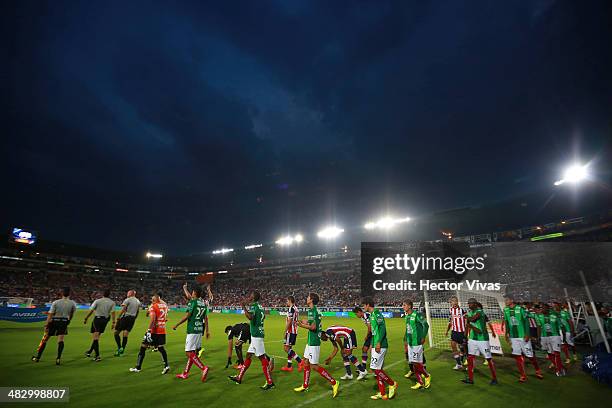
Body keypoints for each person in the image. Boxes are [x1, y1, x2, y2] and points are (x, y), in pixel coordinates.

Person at [293, 293, 339, 398]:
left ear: (311, 300)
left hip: (314, 342)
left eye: (308, 297)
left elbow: (313, 327)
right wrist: (300, 321)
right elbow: (309, 322)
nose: (306, 298)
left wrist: (301, 325)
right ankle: (305, 385)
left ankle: (334, 382)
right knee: (305, 362)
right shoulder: (311, 311)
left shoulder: (314, 311)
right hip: (310, 342)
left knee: (314, 366)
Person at [228, 291, 275, 390]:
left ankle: (270, 382)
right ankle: (239, 377)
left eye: (251, 296)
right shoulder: (260, 307)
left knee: (262, 358)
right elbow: (264, 316)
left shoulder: (254, 306)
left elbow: (250, 317)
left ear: (253, 297)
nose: (250, 297)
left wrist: (244, 307)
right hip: (255, 335)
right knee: (249, 355)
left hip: (257, 336)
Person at [363, 298, 398, 400]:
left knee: (375, 369)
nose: (363, 307)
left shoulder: (377, 314)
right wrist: (372, 345)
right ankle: (382, 393)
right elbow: (375, 332)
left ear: (368, 304)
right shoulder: (372, 315)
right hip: (375, 345)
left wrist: (378, 343)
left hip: (381, 345)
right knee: (378, 369)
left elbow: (382, 329)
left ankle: (392, 384)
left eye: (364, 305)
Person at [502, 296, 543, 383]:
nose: (505, 301)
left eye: (507, 299)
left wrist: (527, 334)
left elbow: (526, 321)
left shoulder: (520, 309)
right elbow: (506, 321)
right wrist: (506, 333)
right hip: (513, 337)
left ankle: (538, 370)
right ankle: (523, 375)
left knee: (530, 355)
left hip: (523, 336)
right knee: (517, 356)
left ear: (512, 300)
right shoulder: (505, 310)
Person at [173, 286, 210, 381]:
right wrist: (207, 331)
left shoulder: (193, 302)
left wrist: (177, 324)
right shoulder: (203, 304)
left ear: (194, 293)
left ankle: (203, 368)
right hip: (199, 330)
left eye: (192, 291)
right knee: (192, 353)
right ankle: (185, 373)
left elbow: (188, 316)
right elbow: (206, 318)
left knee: (188, 352)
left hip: (192, 330)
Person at [31, 287, 76, 365]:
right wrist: (69, 320)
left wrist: (47, 324)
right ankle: (58, 358)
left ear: (62, 293)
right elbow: (72, 313)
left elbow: (51, 314)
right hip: (64, 321)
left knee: (45, 339)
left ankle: (38, 357)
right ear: (69, 294)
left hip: (54, 321)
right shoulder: (72, 303)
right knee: (60, 340)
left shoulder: (56, 302)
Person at [129, 291, 170, 374]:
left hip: (153, 330)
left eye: (153, 298)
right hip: (162, 330)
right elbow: (165, 318)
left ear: (156, 298)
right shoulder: (165, 306)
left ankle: (138, 367)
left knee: (143, 347)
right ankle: (166, 365)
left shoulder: (153, 306)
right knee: (161, 348)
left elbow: (153, 319)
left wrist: (148, 330)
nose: (152, 299)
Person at [462, 298, 498, 385]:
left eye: (470, 303)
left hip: (482, 339)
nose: (469, 305)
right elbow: (467, 326)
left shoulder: (480, 312)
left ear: (475, 304)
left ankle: (494, 378)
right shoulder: (469, 313)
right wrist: (465, 337)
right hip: (472, 339)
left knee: (488, 359)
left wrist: (467, 318)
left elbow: (473, 320)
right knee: (470, 358)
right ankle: (470, 379)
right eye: (468, 304)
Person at [402, 300, 431, 390]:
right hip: (410, 343)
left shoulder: (417, 315)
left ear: (410, 306)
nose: (403, 307)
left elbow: (426, 325)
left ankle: (427, 375)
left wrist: (423, 337)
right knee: (415, 363)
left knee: (415, 362)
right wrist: (406, 340)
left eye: (404, 305)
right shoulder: (407, 317)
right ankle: (420, 382)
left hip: (417, 342)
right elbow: (408, 329)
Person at [83, 289, 116, 361]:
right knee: (97, 336)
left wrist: (86, 318)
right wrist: (113, 322)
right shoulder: (112, 302)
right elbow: (113, 312)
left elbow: (91, 310)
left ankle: (97, 356)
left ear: (103, 294)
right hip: (105, 320)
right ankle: (89, 351)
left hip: (97, 320)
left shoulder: (97, 301)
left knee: (95, 337)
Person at [535, 303, 565, 376]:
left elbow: (561, 326)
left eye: (543, 308)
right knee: (549, 353)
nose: (542, 309)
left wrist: (563, 336)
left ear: (548, 308)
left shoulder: (554, 316)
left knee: (557, 353)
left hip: (555, 336)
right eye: (541, 308)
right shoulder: (539, 316)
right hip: (544, 337)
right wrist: (538, 337)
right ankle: (560, 366)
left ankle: (559, 370)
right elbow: (539, 327)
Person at [113, 290, 141, 356]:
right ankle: (122, 349)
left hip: (125, 317)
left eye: (128, 293)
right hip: (132, 318)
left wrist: (118, 317)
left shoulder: (127, 300)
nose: (127, 294)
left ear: (131, 293)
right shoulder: (138, 301)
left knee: (116, 333)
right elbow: (137, 311)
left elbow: (123, 309)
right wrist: (134, 318)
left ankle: (119, 347)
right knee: (125, 333)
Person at [281, 296, 304, 372]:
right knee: (289, 348)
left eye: (287, 301)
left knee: (286, 348)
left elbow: (290, 321)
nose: (286, 302)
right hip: (294, 331)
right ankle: (289, 366)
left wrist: (285, 331)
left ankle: (300, 361)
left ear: (290, 300)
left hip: (290, 331)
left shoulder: (291, 308)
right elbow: (295, 320)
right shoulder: (296, 308)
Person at [444, 296, 467, 370]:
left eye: (455, 301)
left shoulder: (462, 310)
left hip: (462, 332)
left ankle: (466, 360)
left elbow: (467, 321)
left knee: (463, 348)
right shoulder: (450, 310)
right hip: (454, 331)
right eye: (452, 301)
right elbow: (451, 321)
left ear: (457, 301)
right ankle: (459, 364)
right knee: (453, 346)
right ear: (450, 303)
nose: (454, 302)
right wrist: (447, 330)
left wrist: (466, 332)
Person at [353, 306, 372, 372]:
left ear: (359, 312)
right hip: (371, 334)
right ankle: (363, 368)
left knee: (372, 351)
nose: (356, 316)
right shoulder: (362, 318)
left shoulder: (367, 315)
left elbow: (370, 327)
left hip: (375, 334)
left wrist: (367, 336)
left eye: (356, 314)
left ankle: (376, 368)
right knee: (364, 349)